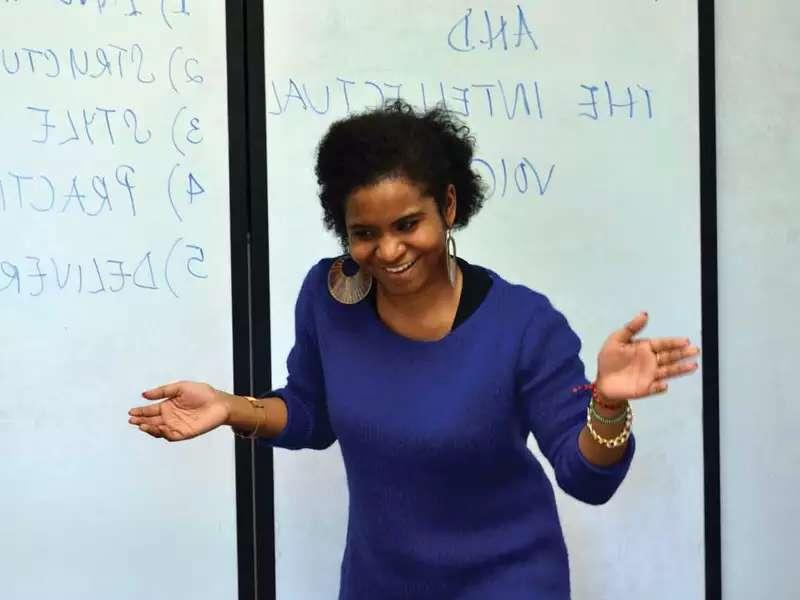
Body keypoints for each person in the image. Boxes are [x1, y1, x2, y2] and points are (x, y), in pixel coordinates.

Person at [128, 100, 701, 599]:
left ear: (448, 206)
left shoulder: (523, 324)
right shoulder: (329, 299)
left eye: (408, 223)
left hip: (509, 584)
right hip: (378, 585)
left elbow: (586, 480)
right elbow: (312, 413)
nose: (389, 250)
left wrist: (607, 403)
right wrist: (231, 408)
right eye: (365, 233)